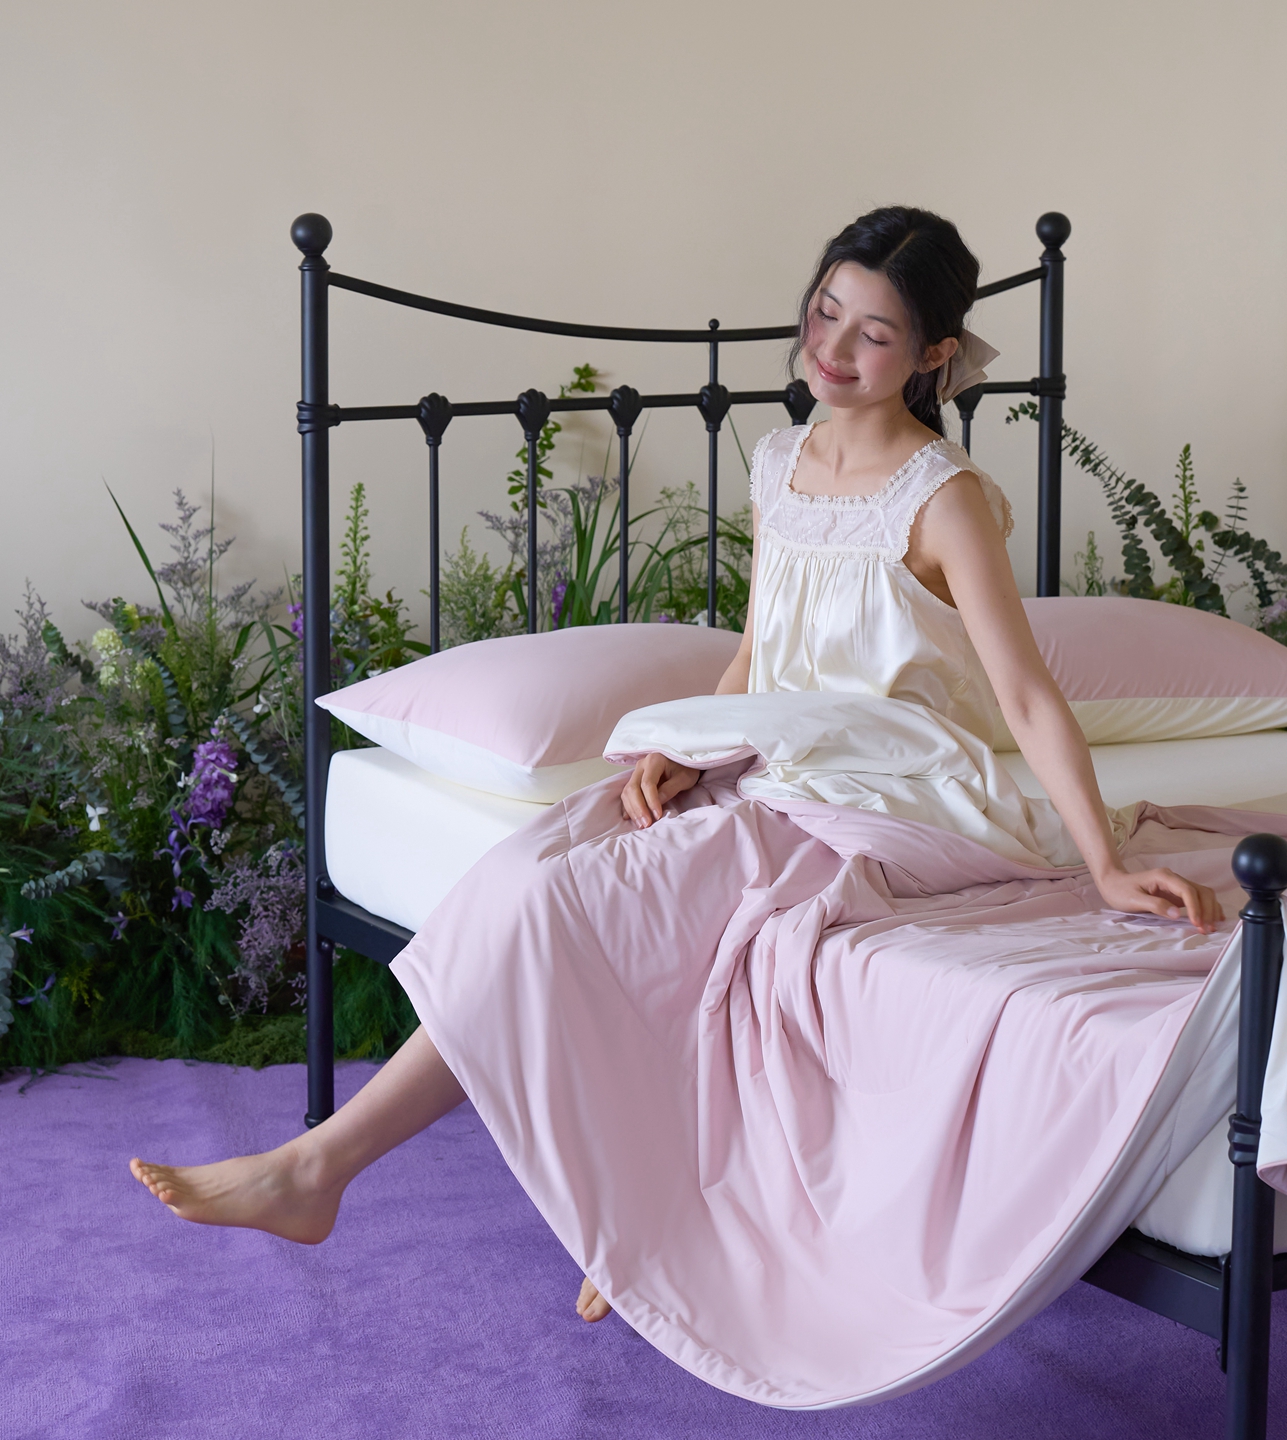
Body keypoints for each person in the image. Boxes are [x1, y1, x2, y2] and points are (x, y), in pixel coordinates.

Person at [131, 206, 1220, 1330]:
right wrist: (681, 746)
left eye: (875, 335)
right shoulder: (781, 460)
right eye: (825, 312)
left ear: (936, 354)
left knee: (621, 899)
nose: (833, 350)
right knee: (538, 869)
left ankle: (323, 1169)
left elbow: (1026, 693)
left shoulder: (943, 498)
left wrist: (1102, 862)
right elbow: (762, 647)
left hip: (891, 788)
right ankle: (608, 1211)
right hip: (775, 760)